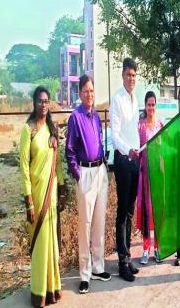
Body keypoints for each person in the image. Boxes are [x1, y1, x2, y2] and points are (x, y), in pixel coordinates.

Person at [20, 86, 66, 307]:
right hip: (37, 198)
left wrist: (62, 185)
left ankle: (52, 288)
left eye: (47, 101)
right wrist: (28, 199)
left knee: (52, 244)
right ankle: (38, 291)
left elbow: (56, 164)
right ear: (34, 103)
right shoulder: (27, 130)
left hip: (52, 195)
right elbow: (24, 167)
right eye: (40, 101)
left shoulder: (51, 129)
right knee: (39, 244)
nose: (44, 105)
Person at [66, 75, 111, 294]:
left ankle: (98, 267)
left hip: (100, 170)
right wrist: (77, 174)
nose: (90, 94)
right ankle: (84, 274)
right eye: (86, 91)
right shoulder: (76, 117)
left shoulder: (95, 117)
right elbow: (70, 150)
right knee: (84, 226)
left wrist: (104, 166)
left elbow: (100, 142)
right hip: (84, 173)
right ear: (80, 93)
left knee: (99, 222)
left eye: (92, 90)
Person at [110, 58, 141, 282]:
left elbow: (134, 131)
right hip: (122, 160)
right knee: (122, 212)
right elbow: (115, 135)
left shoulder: (135, 98)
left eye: (134, 75)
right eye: (128, 74)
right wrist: (128, 150)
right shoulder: (117, 99)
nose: (131, 78)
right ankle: (122, 263)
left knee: (130, 209)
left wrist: (138, 150)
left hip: (135, 160)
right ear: (123, 76)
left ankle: (128, 257)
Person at [137, 91, 164, 265]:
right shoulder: (140, 126)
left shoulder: (161, 125)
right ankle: (146, 249)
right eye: (148, 104)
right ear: (145, 106)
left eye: (153, 104)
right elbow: (136, 148)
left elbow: (166, 148)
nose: (151, 107)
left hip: (158, 176)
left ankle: (158, 248)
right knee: (147, 213)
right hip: (145, 176)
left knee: (158, 212)